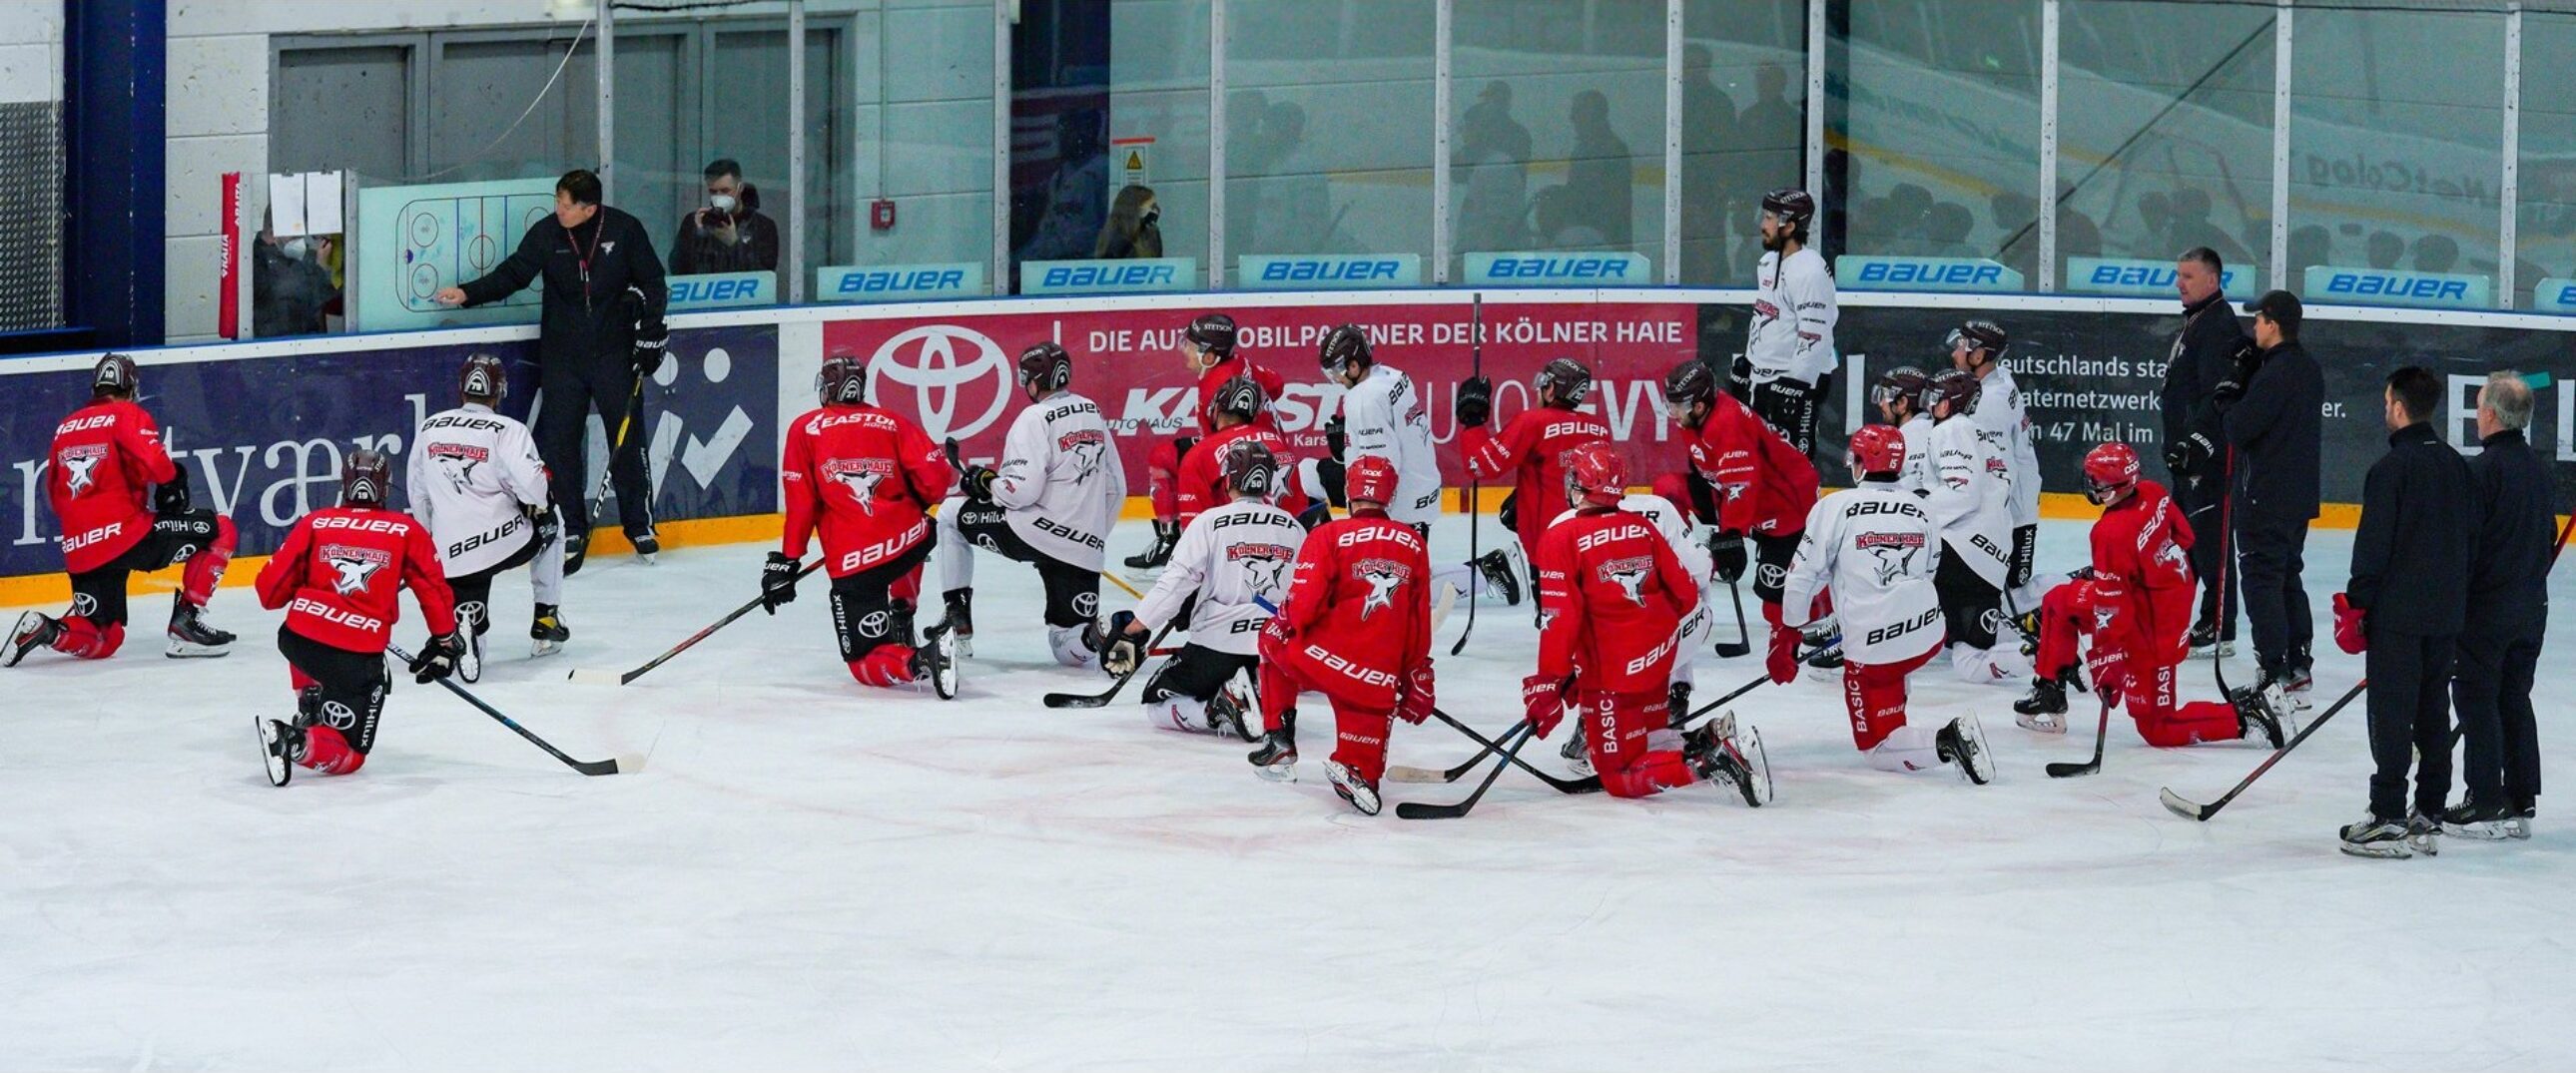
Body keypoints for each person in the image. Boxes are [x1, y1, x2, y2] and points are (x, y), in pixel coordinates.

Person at [435, 169, 670, 572]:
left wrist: (650, 334)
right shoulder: (547, 233)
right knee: (561, 444)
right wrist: (467, 293)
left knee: (627, 440)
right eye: (557, 201)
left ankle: (639, 524)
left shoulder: (624, 230)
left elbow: (653, 282)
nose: (558, 210)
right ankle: (571, 525)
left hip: (614, 354)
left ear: (589, 209)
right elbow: (513, 273)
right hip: (563, 356)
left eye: (566, 205)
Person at [1526, 442, 1764, 804]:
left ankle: (1711, 762)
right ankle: (1708, 739)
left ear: (1582, 484)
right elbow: (1687, 593)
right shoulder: (1642, 526)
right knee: (1650, 741)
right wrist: (1646, 632)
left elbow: (1560, 621)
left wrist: (1549, 684)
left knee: (1618, 777)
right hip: (1658, 661)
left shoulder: (1561, 536)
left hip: (1611, 678)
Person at [2013, 442, 2280, 748]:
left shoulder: (2110, 534)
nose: (2090, 484)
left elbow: (2112, 610)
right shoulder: (2154, 492)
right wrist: (2136, 572)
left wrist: (2107, 662)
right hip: (2165, 605)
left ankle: (2244, 716)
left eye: (2096, 480)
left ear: (2114, 486)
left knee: (2157, 728)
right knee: (2059, 601)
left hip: (2150, 631)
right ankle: (2048, 690)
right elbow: (2185, 537)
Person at [1775, 424, 1993, 783]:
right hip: (1926, 633)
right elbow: (1930, 568)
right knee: (1892, 662)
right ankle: (1895, 703)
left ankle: (1948, 740)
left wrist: (1788, 631)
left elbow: (1801, 577)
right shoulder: (1923, 507)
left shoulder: (1834, 506)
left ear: (1861, 463)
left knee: (1876, 747)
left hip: (1874, 648)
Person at [7, 353, 239, 667]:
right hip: (129, 535)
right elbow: (156, 464)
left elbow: (53, 493)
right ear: (131, 387)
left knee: (104, 638)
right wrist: (173, 480)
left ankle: (47, 630)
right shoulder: (127, 413)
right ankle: (187, 621)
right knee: (221, 529)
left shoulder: (65, 427)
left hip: (81, 550)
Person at [251, 450, 464, 785]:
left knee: (308, 625)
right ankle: (291, 740)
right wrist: (445, 640)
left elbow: (269, 593)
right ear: (386, 486)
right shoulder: (406, 530)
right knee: (351, 754)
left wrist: (315, 590)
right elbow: (433, 591)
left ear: (344, 483)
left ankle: (310, 700)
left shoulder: (316, 522)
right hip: (356, 658)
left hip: (296, 641)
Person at [759, 354, 962, 699]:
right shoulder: (891, 421)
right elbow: (938, 479)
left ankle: (924, 657)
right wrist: (911, 504)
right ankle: (902, 610)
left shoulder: (805, 428)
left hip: (858, 567)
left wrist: (788, 560)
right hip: (911, 541)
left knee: (863, 661)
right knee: (915, 536)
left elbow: (802, 504)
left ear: (827, 388)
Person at [2334, 366, 2475, 859]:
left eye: (2385, 403)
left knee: (2392, 713)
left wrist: (2357, 603)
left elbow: (2372, 548)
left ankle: (2389, 814)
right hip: (2446, 614)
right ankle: (2429, 809)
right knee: (2433, 709)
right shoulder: (2458, 466)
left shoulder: (2391, 469)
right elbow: (2472, 540)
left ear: (2397, 406)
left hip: (2398, 617)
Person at [1245, 459, 1437, 817]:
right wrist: (1416, 673)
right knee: (1364, 773)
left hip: (1325, 660)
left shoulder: (1328, 535)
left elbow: (1302, 609)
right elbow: (1418, 620)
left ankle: (1278, 738)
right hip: (1376, 681)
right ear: (1391, 495)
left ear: (1349, 492)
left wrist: (1283, 618)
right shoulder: (1413, 542)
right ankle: (1355, 769)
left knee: (1272, 638)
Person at [1102, 439, 1312, 739]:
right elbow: (1305, 594)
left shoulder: (1209, 522)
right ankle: (1254, 689)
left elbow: (1175, 583)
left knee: (1156, 703)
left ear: (1228, 480)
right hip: (1275, 651)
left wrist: (1134, 628)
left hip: (1217, 648)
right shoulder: (1294, 527)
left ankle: (1218, 708)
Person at [933, 341, 1125, 667]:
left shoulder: (1034, 418)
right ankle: (1097, 633)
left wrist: (984, 483)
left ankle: (957, 616)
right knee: (1067, 648)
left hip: (1032, 533)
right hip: (1082, 547)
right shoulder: (1091, 411)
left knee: (950, 514)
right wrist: (1089, 539)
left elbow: (1020, 492)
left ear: (1034, 381)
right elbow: (1116, 488)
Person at [1307, 323, 1522, 605]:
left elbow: (1380, 465)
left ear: (1354, 364)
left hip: (1399, 505)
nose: (1335, 379)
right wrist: (1347, 446)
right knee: (1398, 580)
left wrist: (1368, 519)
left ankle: (1485, 573)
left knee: (1399, 591)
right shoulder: (1392, 376)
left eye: (1336, 370)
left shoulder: (1363, 399)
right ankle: (1485, 571)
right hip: (1420, 488)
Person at [405, 352, 568, 683]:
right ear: (500, 391)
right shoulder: (508, 429)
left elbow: (417, 492)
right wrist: (536, 501)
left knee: (468, 595)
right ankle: (546, 617)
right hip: (502, 542)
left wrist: (431, 546)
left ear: (461, 388)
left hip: (450, 554)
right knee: (554, 522)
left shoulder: (430, 426)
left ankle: (469, 632)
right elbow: (534, 489)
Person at [2442, 371, 2556, 839]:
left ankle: (2485, 798)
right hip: (2531, 606)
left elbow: (2463, 544)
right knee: (2513, 695)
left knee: (2476, 696)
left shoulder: (2481, 471)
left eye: (2478, 408)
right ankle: (2520, 795)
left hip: (2488, 609)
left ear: (2489, 414)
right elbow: (2546, 537)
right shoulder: (2539, 469)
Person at [1549, 480, 1718, 779]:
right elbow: (1701, 574)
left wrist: (1562, 675)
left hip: (1616, 661)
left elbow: (1559, 617)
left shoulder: (1563, 525)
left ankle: (1594, 720)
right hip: (1680, 638)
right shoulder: (1657, 508)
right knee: (1671, 603)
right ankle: (1676, 696)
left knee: (1593, 624)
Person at [1660, 360, 1823, 656]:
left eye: (1678, 406)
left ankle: (1830, 606)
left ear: (1700, 405)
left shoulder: (1727, 422)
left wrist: (1731, 537)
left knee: (1775, 605)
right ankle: (1683, 574)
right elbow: (1721, 476)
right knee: (1668, 490)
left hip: (1786, 505)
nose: (1673, 413)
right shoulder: (1694, 418)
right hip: (1739, 494)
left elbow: (1741, 485)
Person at [2219, 289, 2322, 709]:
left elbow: (2239, 427)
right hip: (2297, 496)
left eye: (2258, 320)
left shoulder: (2274, 374)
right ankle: (2298, 666)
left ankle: (2274, 670)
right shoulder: (2307, 368)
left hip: (2264, 495)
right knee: (2287, 574)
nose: (2253, 326)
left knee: (2262, 578)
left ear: (2273, 324)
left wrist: (2230, 395)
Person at [1127, 313, 1284, 570]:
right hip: (1266, 449)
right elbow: (1277, 383)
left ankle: (1180, 543)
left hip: (1247, 457)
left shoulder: (1216, 385)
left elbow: (1212, 451)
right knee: (1171, 454)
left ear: (1209, 357)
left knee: (1167, 459)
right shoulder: (1237, 362)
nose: (1184, 350)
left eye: (1190, 346)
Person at [2157, 248, 2250, 657]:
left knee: (2209, 540)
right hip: (2187, 457)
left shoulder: (2218, 326)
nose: (2179, 283)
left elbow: (2217, 396)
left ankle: (2219, 626)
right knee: (2183, 539)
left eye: (2188, 276)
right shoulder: (2198, 319)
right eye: (2179, 274)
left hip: (2204, 460)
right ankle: (2182, 615)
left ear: (2212, 281)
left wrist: (2197, 443)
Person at [1456, 357, 1613, 587]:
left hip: (1549, 548)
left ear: (1550, 390)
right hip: (1592, 544)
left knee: (1553, 609)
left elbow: (1480, 466)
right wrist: (1524, 497)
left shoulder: (1533, 421)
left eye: (1543, 385)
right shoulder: (1599, 428)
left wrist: (1473, 422)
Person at [1921, 368, 2025, 685]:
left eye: (1936, 398)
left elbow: (1962, 491)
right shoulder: (1982, 435)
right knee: (1970, 661)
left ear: (1951, 403)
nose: (1930, 404)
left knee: (1893, 560)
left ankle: (1862, 632)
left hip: (1959, 554)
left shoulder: (1951, 429)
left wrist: (1917, 516)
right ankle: (2045, 653)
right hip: (1988, 563)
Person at [1949, 320, 2042, 609]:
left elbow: (2000, 469)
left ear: (1979, 356)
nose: (1955, 353)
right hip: (2017, 503)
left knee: (2013, 592)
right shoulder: (1999, 377)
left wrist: (1988, 518)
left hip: (2015, 513)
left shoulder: (1988, 403)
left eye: (1962, 346)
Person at [1740, 188, 1838, 456]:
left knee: (1793, 463)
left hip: (1794, 383)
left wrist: (1796, 385)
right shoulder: (1767, 262)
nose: (1763, 224)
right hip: (1765, 381)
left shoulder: (1809, 271)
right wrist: (1750, 361)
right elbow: (1765, 317)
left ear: (1790, 226)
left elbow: (1815, 334)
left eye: (1770, 218)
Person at [1174, 374, 1313, 530]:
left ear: (1216, 408)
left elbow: (1193, 527)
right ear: (1254, 413)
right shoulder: (1277, 442)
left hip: (1236, 540)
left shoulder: (1200, 453)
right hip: (1290, 536)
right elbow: (1300, 512)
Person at [669, 159, 780, 275]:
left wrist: (734, 244)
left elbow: (765, 275)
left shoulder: (762, 225)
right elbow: (677, 269)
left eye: (725, 190)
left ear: (740, 188)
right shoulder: (694, 221)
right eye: (713, 191)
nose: (719, 196)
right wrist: (698, 235)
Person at [1871, 365, 1935, 497]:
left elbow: (1918, 490)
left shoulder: (1904, 437)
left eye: (1885, 396)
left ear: (1902, 403)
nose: (1881, 403)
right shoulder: (1938, 429)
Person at [1092, 184, 1163, 260]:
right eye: (1152, 206)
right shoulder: (1115, 236)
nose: (1155, 211)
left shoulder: (1152, 232)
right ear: (1137, 208)